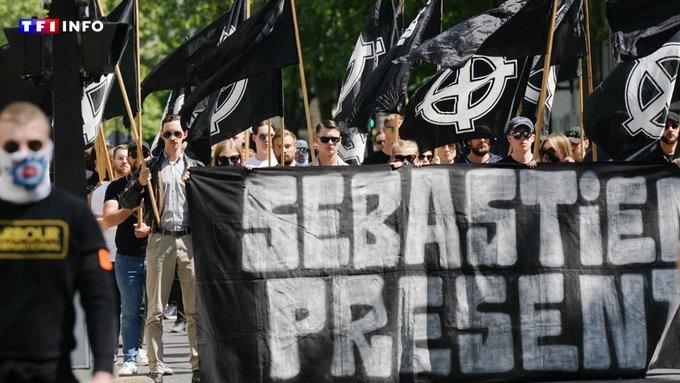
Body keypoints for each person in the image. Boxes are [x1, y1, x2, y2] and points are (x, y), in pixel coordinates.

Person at [0, 102, 115, 383]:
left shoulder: (74, 214)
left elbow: (98, 295)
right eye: (12, 147)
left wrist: (103, 367)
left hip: (54, 367)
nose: (24, 154)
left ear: (48, 148)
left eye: (35, 145)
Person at [119, 114, 202, 383]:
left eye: (177, 134)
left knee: (193, 310)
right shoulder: (151, 166)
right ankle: (156, 366)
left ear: (184, 136)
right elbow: (126, 201)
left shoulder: (195, 166)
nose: (173, 139)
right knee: (155, 308)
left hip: (189, 241)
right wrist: (140, 183)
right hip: (160, 239)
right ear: (162, 136)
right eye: (167, 134)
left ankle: (198, 367)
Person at [103, 142, 153, 376]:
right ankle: (130, 357)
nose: (135, 159)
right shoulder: (115, 187)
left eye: (143, 154)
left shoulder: (158, 184)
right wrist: (131, 210)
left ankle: (156, 359)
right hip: (127, 258)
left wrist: (149, 229)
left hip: (154, 255)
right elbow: (109, 218)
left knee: (154, 311)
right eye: (133, 155)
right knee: (130, 310)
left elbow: (171, 216)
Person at [89, 144, 131, 366]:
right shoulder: (99, 191)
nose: (124, 162)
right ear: (111, 162)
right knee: (112, 306)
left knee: (134, 306)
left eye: (127, 158)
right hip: (108, 254)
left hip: (130, 253)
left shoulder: (141, 187)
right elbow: (92, 221)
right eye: (120, 158)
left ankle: (136, 349)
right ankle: (112, 349)